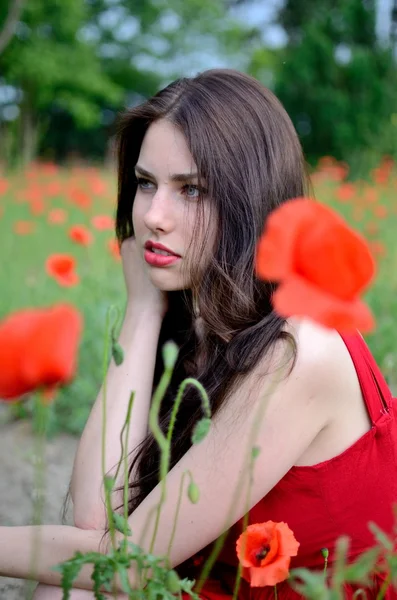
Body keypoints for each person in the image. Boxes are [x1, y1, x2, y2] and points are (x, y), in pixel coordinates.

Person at [2, 69, 396, 599]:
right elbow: (99, 517)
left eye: (192, 190)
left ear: (249, 203)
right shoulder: (202, 324)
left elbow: (124, 561)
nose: (153, 217)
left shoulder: (301, 351)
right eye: (145, 184)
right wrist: (143, 310)